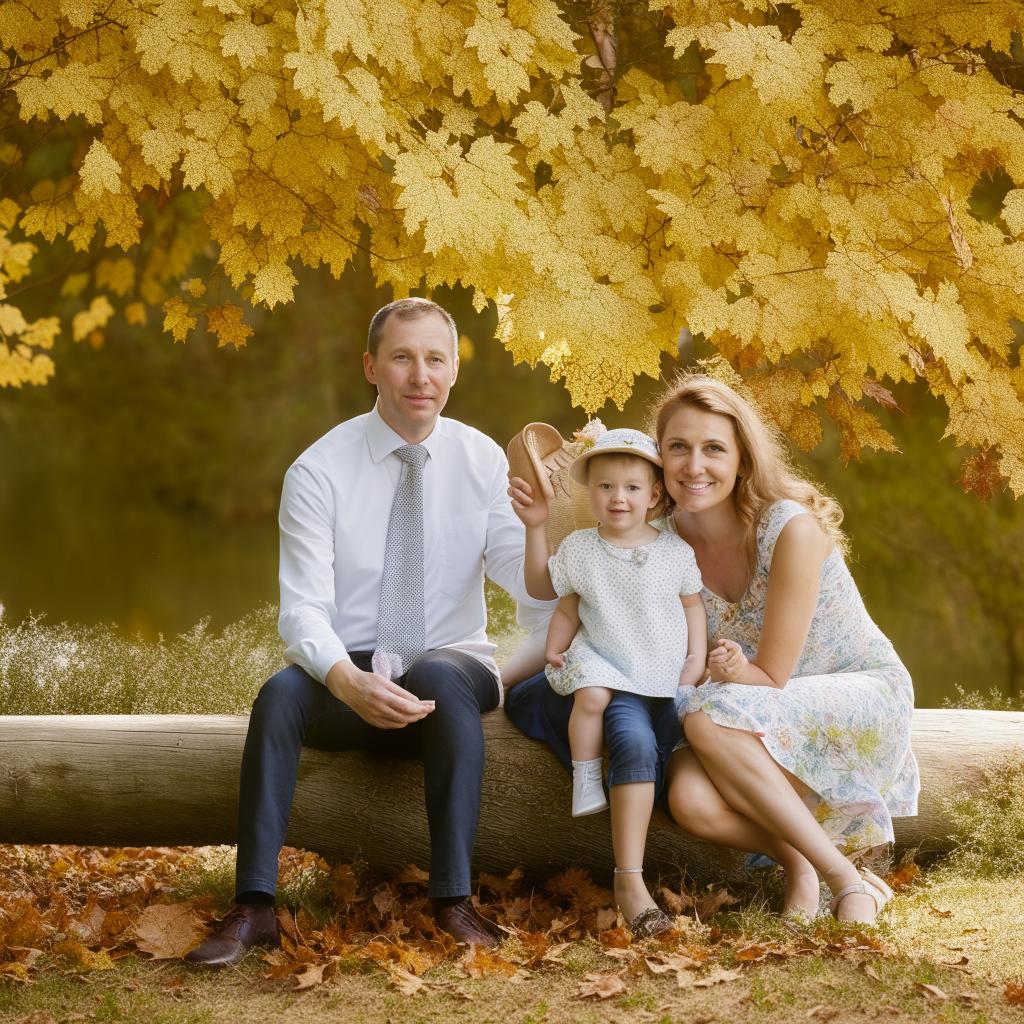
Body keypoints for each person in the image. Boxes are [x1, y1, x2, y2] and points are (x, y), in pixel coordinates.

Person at [186, 297, 549, 966]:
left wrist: (544, 527)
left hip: (450, 677)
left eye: (435, 359)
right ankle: (255, 906)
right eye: (403, 358)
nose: (420, 375)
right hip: (353, 674)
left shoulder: (482, 462)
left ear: (454, 371)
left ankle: (454, 903)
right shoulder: (319, 470)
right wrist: (346, 681)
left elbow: (531, 586)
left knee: (440, 669)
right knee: (280, 695)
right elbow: (301, 610)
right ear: (371, 367)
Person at [654, 374, 920, 925]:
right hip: (744, 716)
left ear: (743, 460)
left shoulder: (788, 528)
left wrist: (711, 683)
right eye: (678, 446)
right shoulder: (659, 545)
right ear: (659, 456)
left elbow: (771, 675)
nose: (693, 465)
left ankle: (841, 882)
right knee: (691, 802)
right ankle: (805, 859)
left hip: (854, 697)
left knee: (704, 723)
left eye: (713, 449)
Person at [505, 432, 700, 937]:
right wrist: (536, 526)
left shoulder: (674, 551)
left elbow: (692, 605)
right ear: (589, 493)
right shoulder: (580, 548)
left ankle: (633, 870)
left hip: (659, 674)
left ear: (655, 495)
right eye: (606, 487)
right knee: (629, 737)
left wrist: (696, 658)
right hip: (606, 672)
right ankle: (629, 881)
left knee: (652, 739)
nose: (619, 498)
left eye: (633, 488)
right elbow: (551, 595)